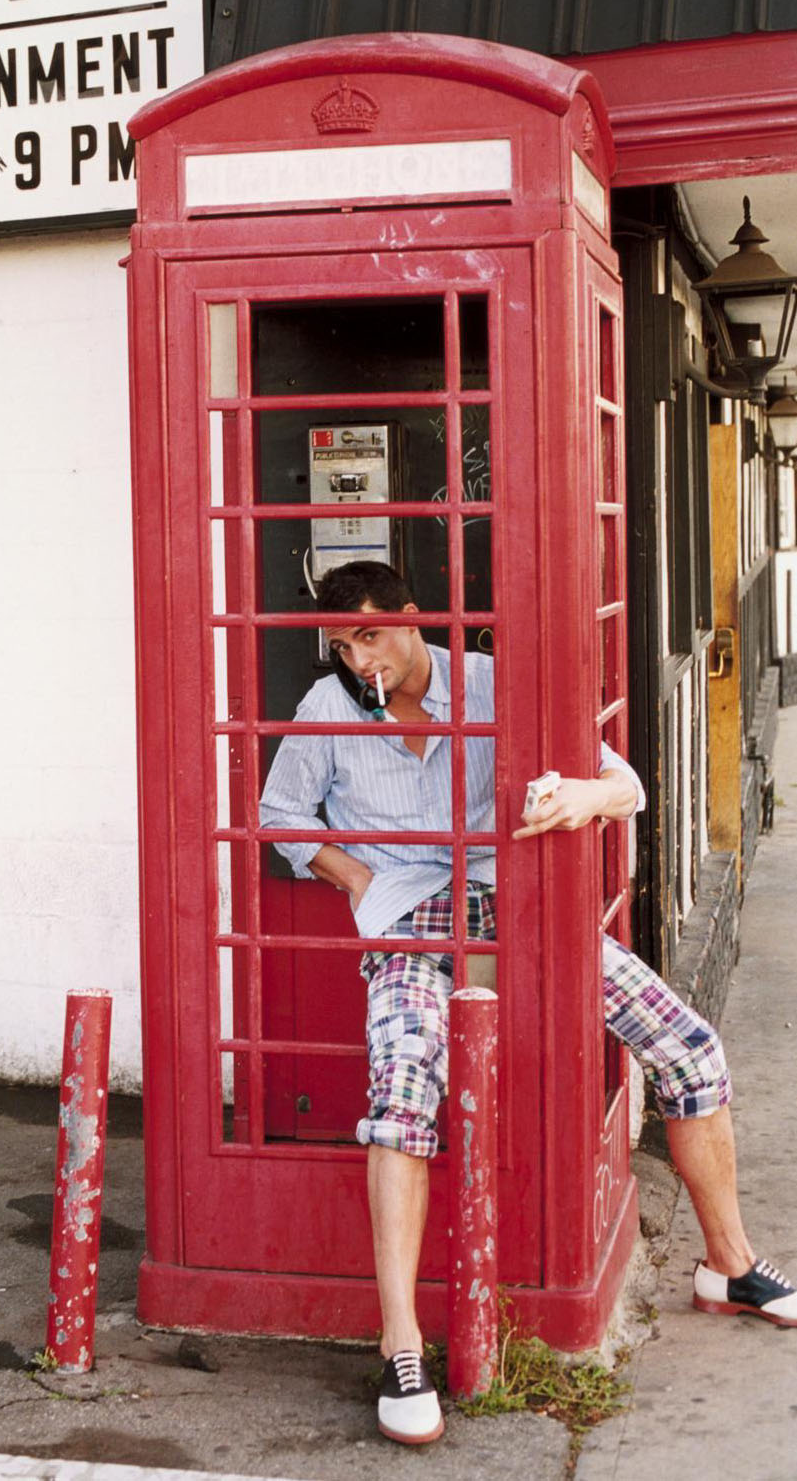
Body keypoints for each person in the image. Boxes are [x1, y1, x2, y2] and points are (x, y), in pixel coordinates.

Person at [260, 559, 796, 1447]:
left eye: (371, 635)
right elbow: (281, 814)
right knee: (400, 1099)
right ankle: (400, 1341)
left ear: (411, 619)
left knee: (689, 1048)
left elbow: (625, 785)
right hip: (406, 915)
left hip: (514, 905)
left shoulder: (493, 683)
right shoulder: (325, 710)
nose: (360, 659)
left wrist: (573, 799)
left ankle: (728, 1264)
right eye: (343, 643)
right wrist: (360, 881)